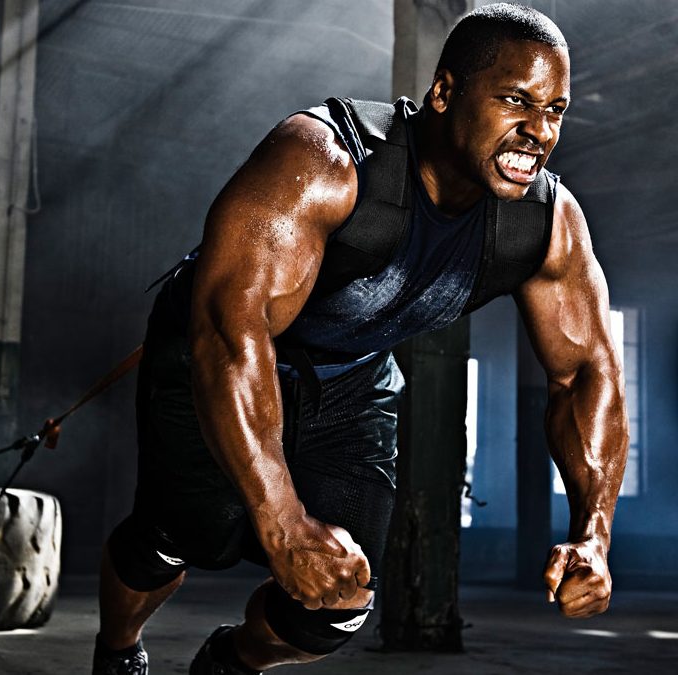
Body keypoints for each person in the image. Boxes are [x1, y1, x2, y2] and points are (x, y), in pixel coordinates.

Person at [92, 4, 629, 673]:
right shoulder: (325, 161)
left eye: (556, 109)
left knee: (340, 601)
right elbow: (233, 335)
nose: (538, 131)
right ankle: (117, 651)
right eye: (515, 101)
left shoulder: (547, 225)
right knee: (178, 533)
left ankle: (230, 660)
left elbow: (584, 376)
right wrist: (282, 520)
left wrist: (592, 536)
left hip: (353, 377)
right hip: (217, 349)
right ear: (444, 92)